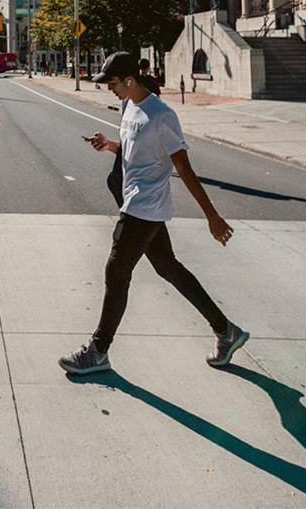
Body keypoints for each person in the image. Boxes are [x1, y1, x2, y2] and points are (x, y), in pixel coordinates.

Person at [59, 50, 247, 376]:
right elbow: (136, 149)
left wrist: (212, 216)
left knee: (116, 271)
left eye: (113, 83)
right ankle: (225, 330)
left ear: (130, 80)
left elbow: (184, 169)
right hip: (137, 202)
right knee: (168, 268)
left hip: (144, 207)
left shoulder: (162, 116)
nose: (110, 89)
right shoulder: (128, 106)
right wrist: (110, 145)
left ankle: (98, 350)